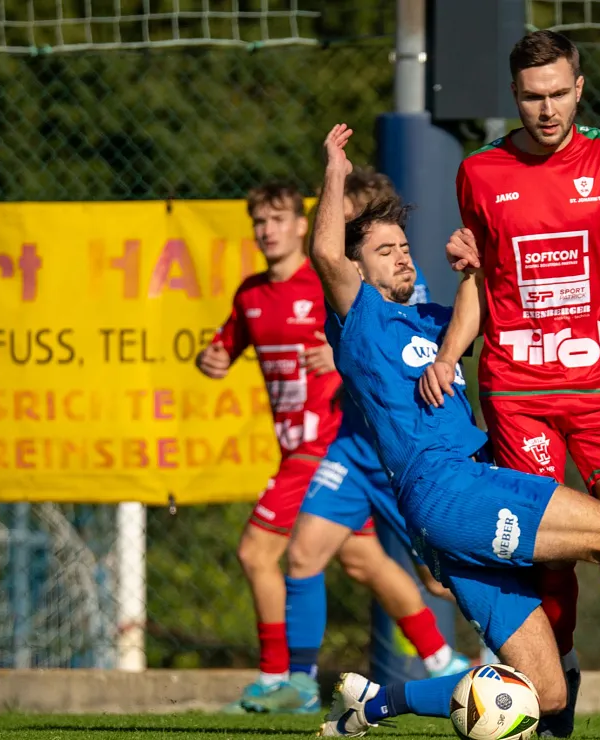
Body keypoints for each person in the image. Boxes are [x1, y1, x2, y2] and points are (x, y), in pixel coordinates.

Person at [309, 123, 600, 740]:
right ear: (356, 267)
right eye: (382, 250)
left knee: (547, 694)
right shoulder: (360, 320)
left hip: (459, 507)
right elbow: (324, 254)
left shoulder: (435, 319)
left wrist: (479, 266)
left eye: (403, 246)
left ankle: (375, 704)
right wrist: (336, 172)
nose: (400, 256)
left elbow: (501, 304)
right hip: (449, 489)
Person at [418, 30, 600, 737]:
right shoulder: (481, 172)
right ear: (514, 96)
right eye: (530, 97)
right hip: (518, 396)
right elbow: (482, 278)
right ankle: (558, 680)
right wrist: (452, 351)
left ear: (579, 87)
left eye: (557, 94)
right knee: (550, 559)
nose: (546, 110)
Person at [196, 179, 463, 714]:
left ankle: (502, 657)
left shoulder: (360, 287)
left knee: (441, 576)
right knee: (352, 559)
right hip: (340, 449)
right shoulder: (256, 293)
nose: (268, 231)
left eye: (280, 219)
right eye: (260, 221)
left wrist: (340, 352)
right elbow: (227, 344)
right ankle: (299, 679)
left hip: (355, 447)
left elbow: (398, 345)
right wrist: (214, 357)